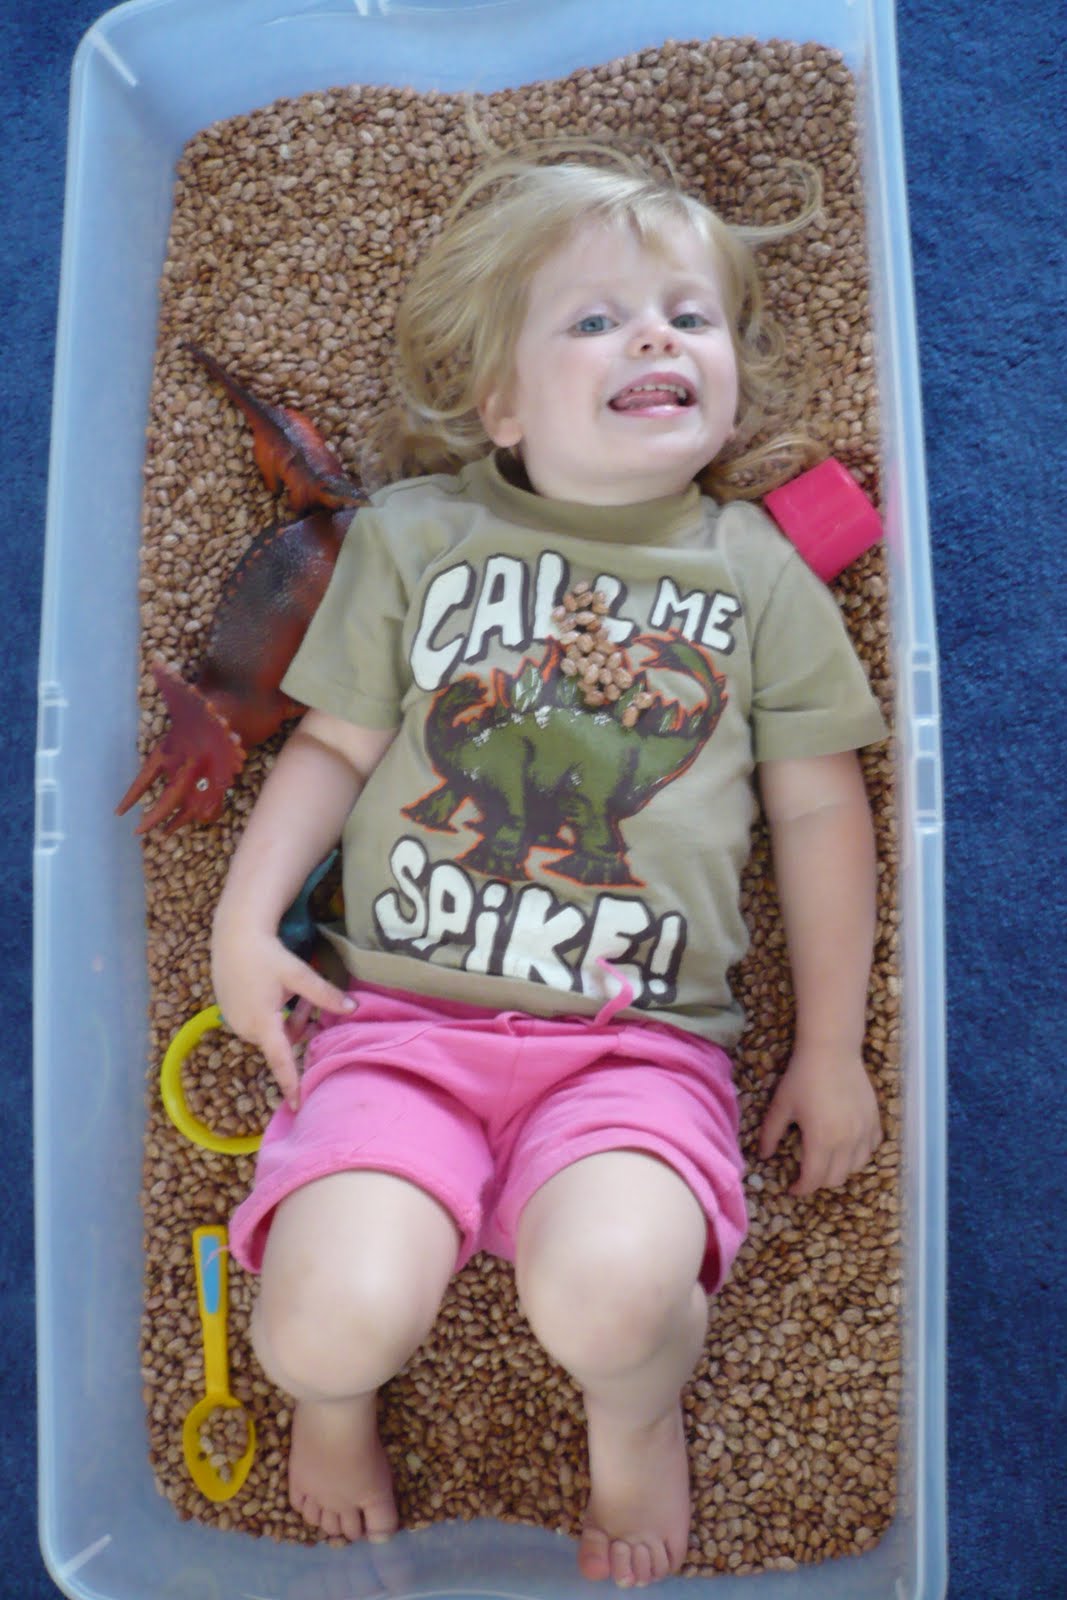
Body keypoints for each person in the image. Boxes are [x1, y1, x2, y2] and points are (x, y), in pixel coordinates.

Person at [212, 143, 887, 1590]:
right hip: (395, 1032)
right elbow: (330, 747)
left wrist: (830, 1047)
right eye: (596, 319)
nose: (654, 338)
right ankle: (332, 1405)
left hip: (638, 1050)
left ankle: (633, 1419)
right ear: (501, 404)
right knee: (322, 1318)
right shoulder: (416, 536)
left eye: (689, 318)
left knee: (621, 1294)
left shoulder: (757, 571)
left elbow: (823, 811)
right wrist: (243, 923)